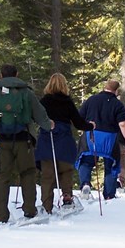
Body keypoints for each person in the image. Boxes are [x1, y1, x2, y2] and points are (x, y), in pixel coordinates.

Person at [0, 64, 54, 222]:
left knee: (1, 176)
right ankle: (29, 209)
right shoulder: (26, 93)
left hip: (0, 141)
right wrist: (48, 124)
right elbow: (39, 113)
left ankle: (1, 215)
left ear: (1, 75)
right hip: (24, 140)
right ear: (17, 74)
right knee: (28, 173)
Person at [35, 73, 95, 214]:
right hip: (64, 140)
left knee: (47, 174)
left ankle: (46, 205)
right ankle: (67, 197)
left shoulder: (43, 102)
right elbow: (78, 123)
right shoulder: (67, 102)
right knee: (66, 171)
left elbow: (35, 118)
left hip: (47, 140)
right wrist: (90, 126)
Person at [76, 79, 125, 200]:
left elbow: (79, 118)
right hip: (110, 139)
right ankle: (109, 194)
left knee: (86, 161)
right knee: (111, 166)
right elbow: (123, 124)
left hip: (91, 136)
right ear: (116, 91)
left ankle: (85, 184)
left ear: (104, 87)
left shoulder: (91, 100)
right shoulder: (118, 105)